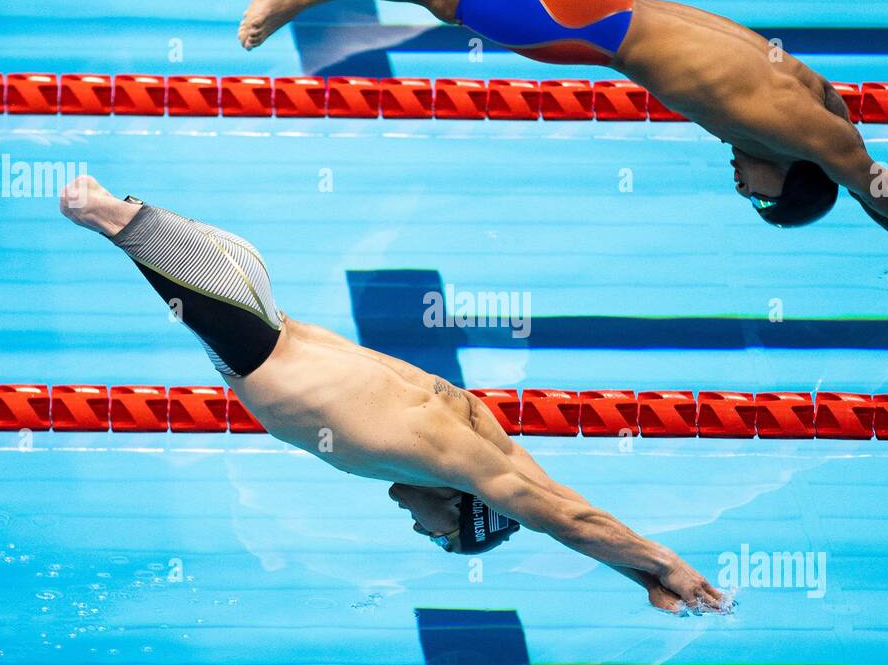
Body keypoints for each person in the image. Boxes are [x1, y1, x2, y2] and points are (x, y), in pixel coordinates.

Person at [58, 175, 726, 614]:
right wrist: (665, 565)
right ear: (463, 508)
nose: (420, 532)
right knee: (85, 204)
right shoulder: (450, 454)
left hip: (243, 295)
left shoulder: (473, 434)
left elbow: (549, 495)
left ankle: (109, 210)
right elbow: (561, 517)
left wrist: (638, 579)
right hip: (231, 313)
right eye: (441, 539)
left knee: (95, 208)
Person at [238, 0, 888, 282]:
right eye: (761, 197)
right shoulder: (802, 136)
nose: (741, 190)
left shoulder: (805, 106)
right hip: (593, 25)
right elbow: (869, 182)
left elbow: (855, 172)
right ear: (795, 174)